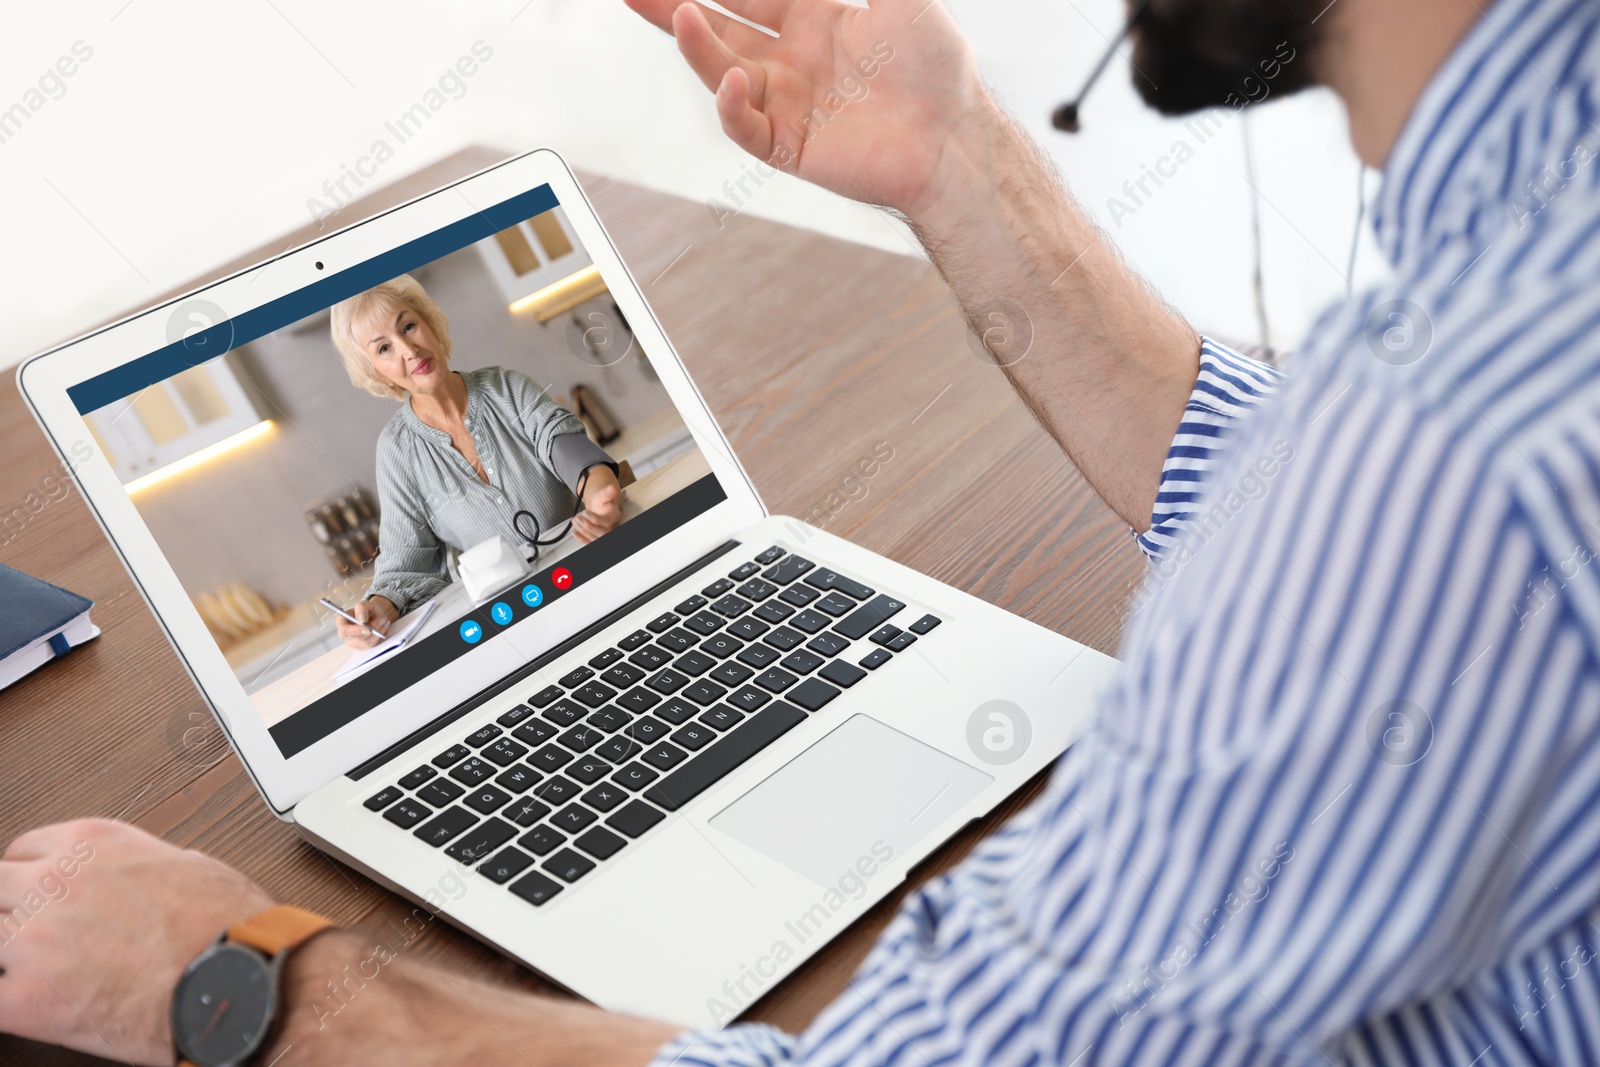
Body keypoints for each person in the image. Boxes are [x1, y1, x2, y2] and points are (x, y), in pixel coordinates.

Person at [6, 0, 1600, 1062]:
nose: (407, 360)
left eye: (412, 337)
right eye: (383, 355)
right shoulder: (1536, 247)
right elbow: (1317, 511)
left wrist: (254, 977)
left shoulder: (1453, 456)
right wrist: (956, 164)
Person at [325, 274, 624, 649]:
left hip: (589, 575)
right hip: (514, 623)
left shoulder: (508, 388)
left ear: (430, 324)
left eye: (409, 326)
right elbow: (404, 561)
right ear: (375, 371)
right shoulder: (396, 451)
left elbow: (572, 455)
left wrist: (602, 498)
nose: (408, 350)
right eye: (384, 348)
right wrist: (378, 609)